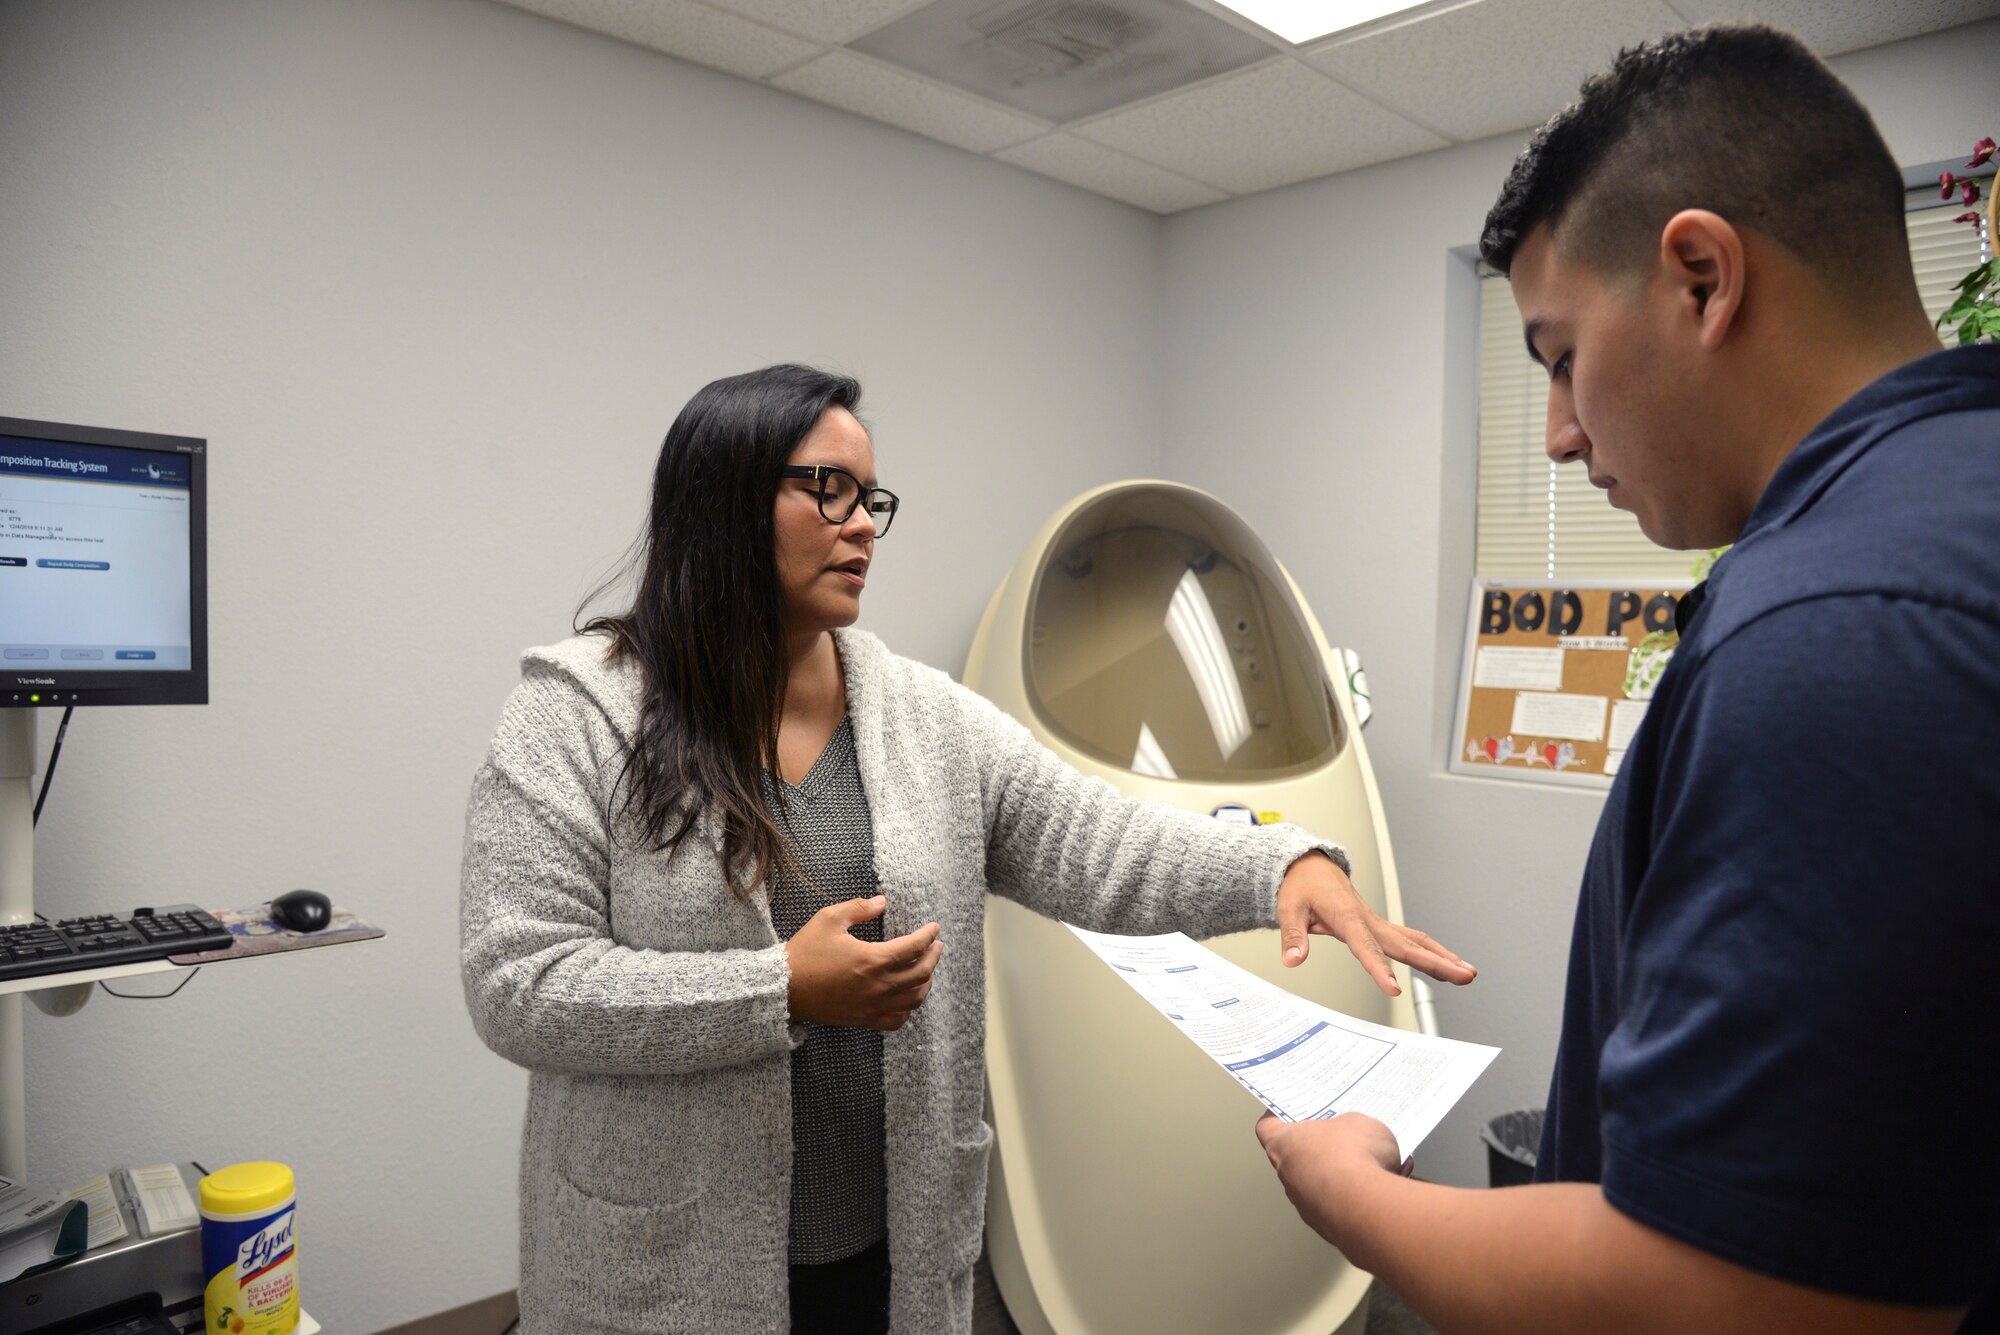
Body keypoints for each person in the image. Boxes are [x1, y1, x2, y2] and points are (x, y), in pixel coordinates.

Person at [459, 363, 1476, 1335]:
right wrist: (778, 991)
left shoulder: (923, 720)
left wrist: (1279, 867)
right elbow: (519, 981)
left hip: (886, 1251)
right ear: (719, 499)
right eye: (827, 490)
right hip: (668, 1265)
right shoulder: (575, 718)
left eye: (871, 498)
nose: (862, 524)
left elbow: (1096, 841)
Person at [1255, 24, 2000, 1335]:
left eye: (1557, 354)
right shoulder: (1951, 512)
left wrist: (1354, 1189)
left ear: (1702, 277)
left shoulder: (1832, 625)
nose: (1552, 433)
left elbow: (1734, 1293)